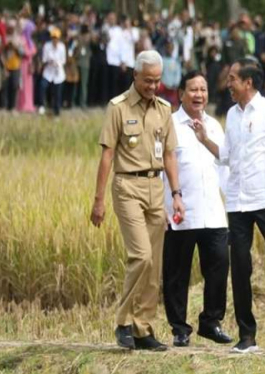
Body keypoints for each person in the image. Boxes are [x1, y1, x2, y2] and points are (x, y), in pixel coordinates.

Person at [190, 58, 265, 354]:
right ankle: (247, 336)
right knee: (241, 267)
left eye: (233, 78)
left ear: (248, 82)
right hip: (237, 202)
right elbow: (227, 156)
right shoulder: (232, 115)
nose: (228, 83)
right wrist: (204, 139)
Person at [90, 50, 185, 352]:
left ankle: (143, 328)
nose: (153, 86)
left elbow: (169, 154)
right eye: (148, 80)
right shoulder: (117, 108)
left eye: (157, 81)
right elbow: (106, 155)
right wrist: (98, 200)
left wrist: (176, 193)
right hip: (127, 185)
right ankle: (123, 321)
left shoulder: (165, 109)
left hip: (155, 187)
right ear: (135, 76)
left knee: (154, 264)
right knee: (141, 256)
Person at [162, 71, 233, 348]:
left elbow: (225, 166)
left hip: (213, 211)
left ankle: (211, 322)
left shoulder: (214, 125)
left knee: (218, 267)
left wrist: (232, 204)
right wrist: (163, 205)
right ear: (181, 93)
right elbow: (161, 169)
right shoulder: (170, 125)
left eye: (203, 89)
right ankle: (179, 328)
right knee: (176, 273)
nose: (199, 95)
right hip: (181, 210)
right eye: (193, 89)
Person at [40, 27, 66, 116]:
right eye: (53, 38)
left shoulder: (62, 47)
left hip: (58, 73)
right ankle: (42, 105)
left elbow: (63, 60)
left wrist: (57, 63)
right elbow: (44, 59)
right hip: (48, 71)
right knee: (43, 86)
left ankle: (57, 111)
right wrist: (49, 61)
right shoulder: (47, 46)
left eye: (56, 38)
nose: (55, 40)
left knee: (57, 93)